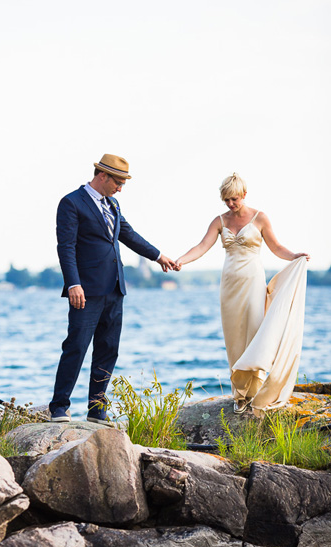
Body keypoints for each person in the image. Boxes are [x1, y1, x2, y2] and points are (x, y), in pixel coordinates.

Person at [50, 154, 177, 424]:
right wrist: (74, 283)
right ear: (102, 175)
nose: (120, 188)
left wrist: (158, 256)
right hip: (85, 291)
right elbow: (66, 247)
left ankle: (96, 409)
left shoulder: (114, 204)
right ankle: (59, 407)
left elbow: (128, 234)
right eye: (118, 182)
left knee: (108, 349)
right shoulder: (71, 202)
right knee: (76, 347)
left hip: (115, 288)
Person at [175, 172, 309, 415]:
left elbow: (276, 247)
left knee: (255, 333)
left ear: (244, 195)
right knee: (234, 337)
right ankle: (239, 395)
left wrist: (295, 256)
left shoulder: (260, 218)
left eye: (234, 199)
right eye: (226, 200)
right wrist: (181, 260)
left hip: (254, 284)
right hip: (229, 286)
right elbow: (202, 246)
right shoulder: (219, 220)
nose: (230, 204)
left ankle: (255, 391)